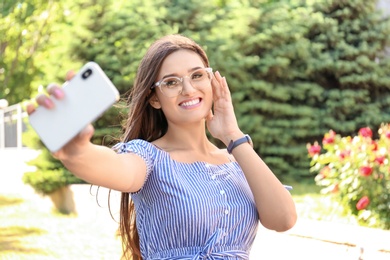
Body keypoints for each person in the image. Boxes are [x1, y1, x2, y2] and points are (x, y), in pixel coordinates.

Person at [27, 34, 297, 260]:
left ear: (212, 81)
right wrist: (75, 152)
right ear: (154, 99)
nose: (188, 89)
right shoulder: (148, 157)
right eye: (171, 82)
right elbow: (116, 168)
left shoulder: (236, 160)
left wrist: (233, 135)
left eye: (197, 75)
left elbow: (283, 219)